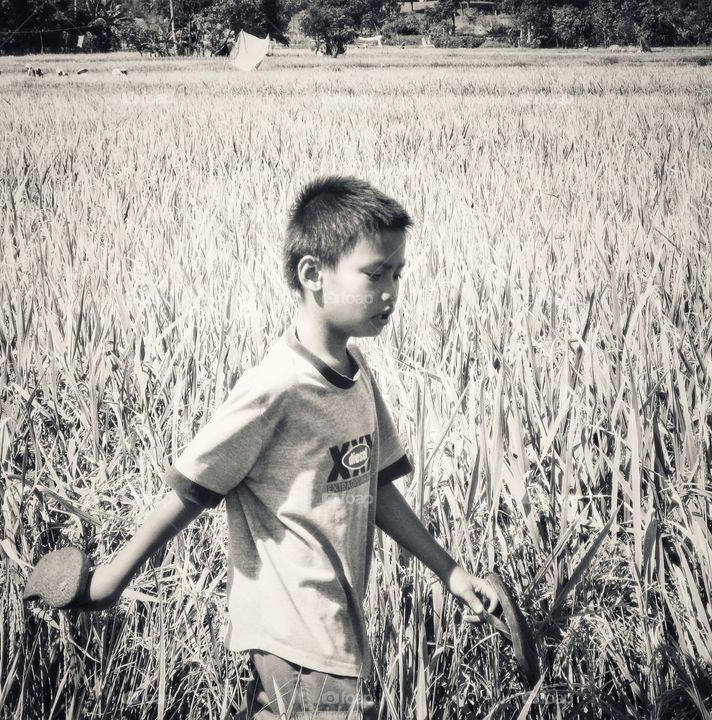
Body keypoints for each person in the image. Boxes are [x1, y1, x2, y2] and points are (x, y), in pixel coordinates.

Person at [71, 176, 501, 718]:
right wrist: (111, 579)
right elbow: (191, 490)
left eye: (398, 273)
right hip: (298, 642)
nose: (391, 291)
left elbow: (373, 488)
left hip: (334, 634)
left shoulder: (357, 371)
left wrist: (450, 571)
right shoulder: (276, 387)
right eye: (375, 273)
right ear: (313, 274)